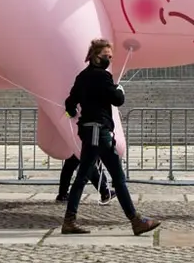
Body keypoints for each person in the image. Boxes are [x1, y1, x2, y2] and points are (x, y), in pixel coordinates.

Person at [60, 39, 159, 236]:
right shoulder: (103, 77)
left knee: (84, 177)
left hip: (90, 131)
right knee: (116, 178)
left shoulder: (81, 77)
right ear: (95, 56)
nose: (109, 59)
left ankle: (70, 220)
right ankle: (136, 220)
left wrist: (72, 112)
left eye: (110, 56)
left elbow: (70, 103)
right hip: (99, 132)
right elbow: (117, 100)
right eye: (106, 56)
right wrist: (119, 90)